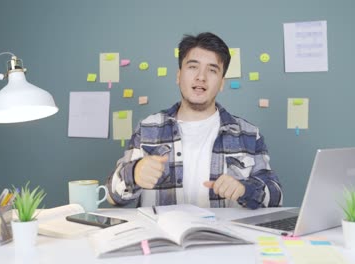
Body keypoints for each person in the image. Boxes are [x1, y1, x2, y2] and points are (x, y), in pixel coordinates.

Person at [106, 32, 282, 209]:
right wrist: (134, 174)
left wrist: (245, 189)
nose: (201, 77)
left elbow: (276, 196)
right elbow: (112, 195)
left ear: (221, 83)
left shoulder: (249, 134)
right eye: (192, 67)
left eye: (212, 70)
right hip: (161, 237)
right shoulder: (147, 128)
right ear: (178, 75)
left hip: (224, 237)